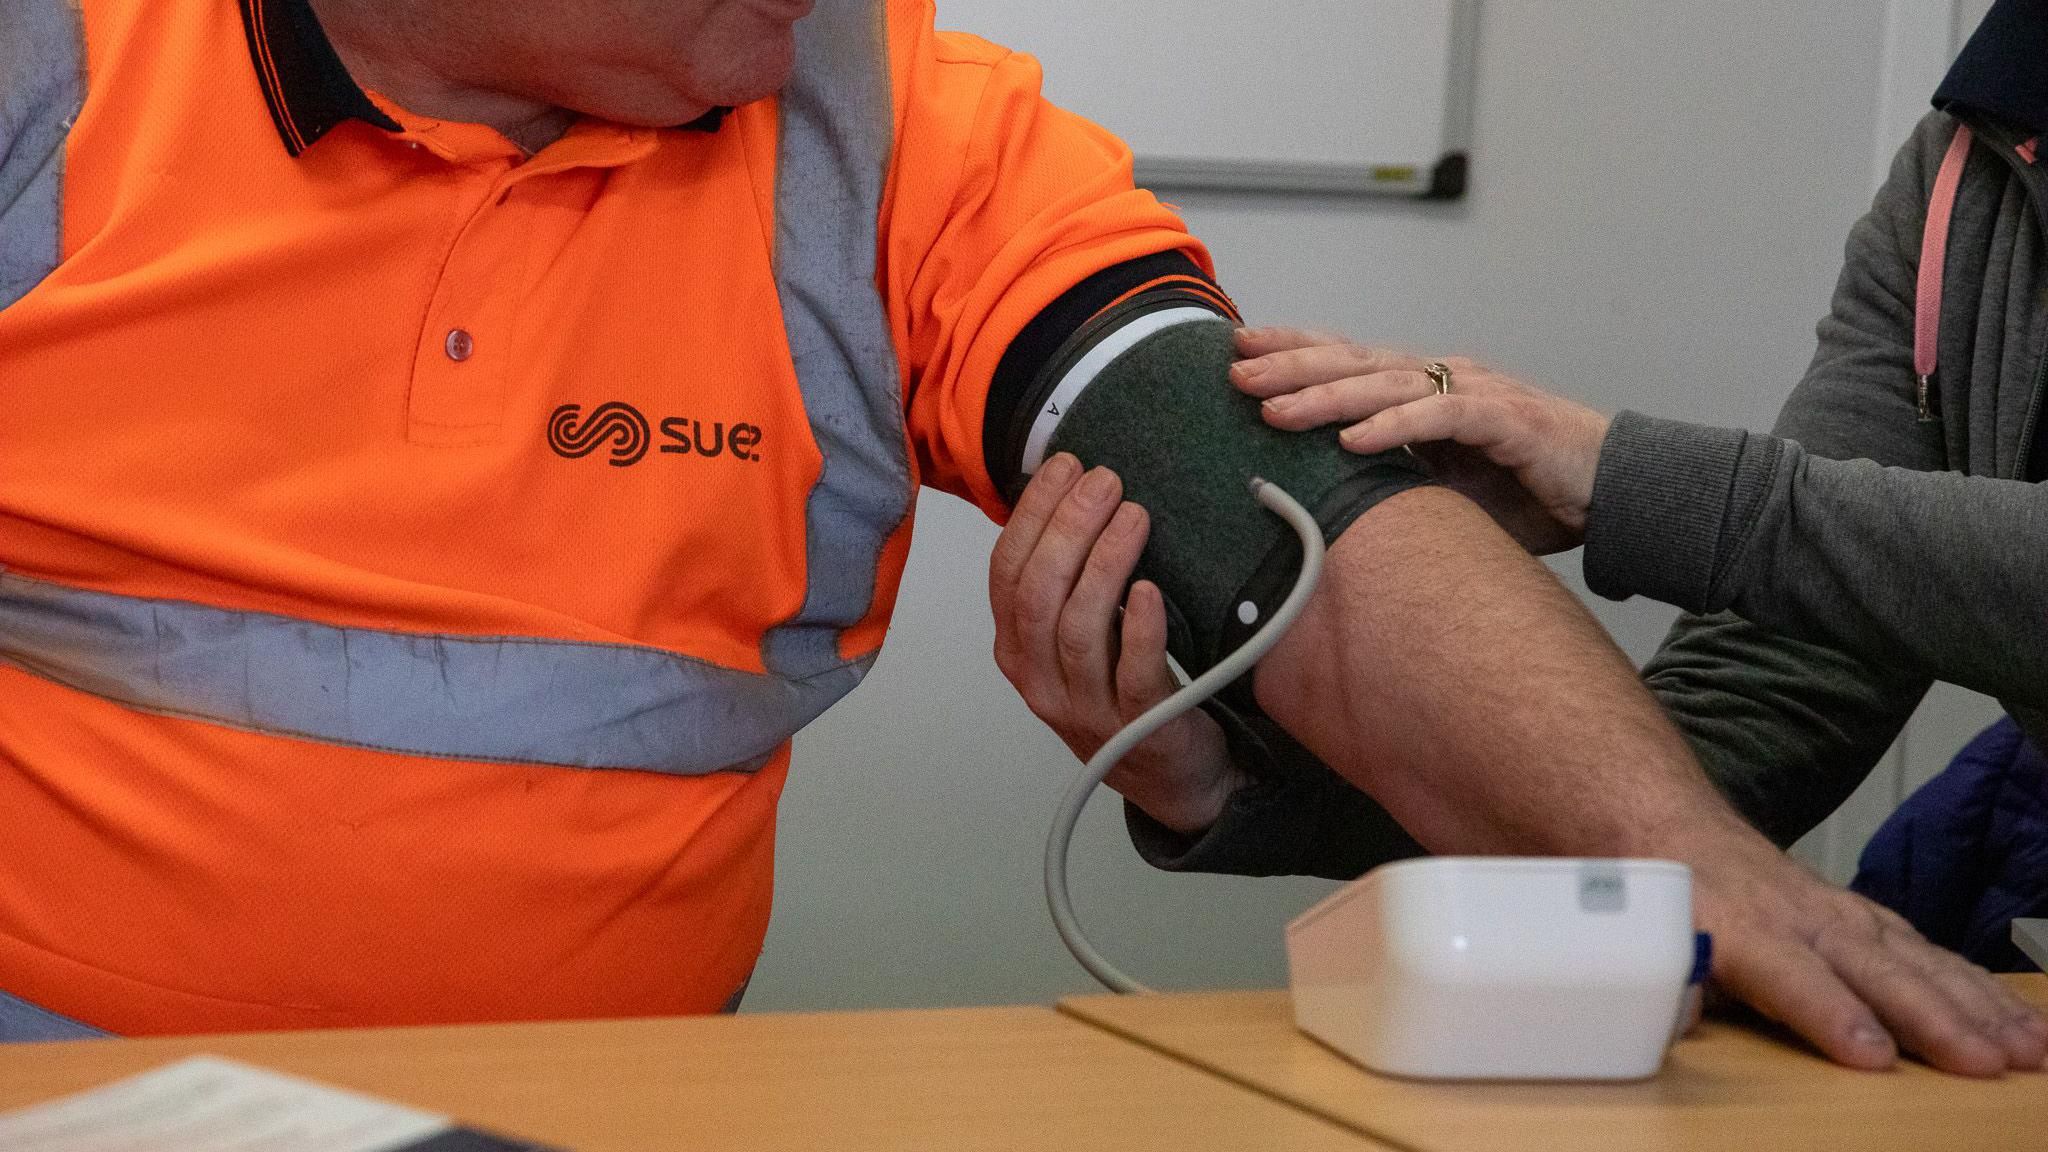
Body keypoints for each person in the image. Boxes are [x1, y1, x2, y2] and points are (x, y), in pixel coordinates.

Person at [0, 0, 2030, 1080]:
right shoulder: (56, 61)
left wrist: (1672, 863)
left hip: (598, 1113)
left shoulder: (879, 110)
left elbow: (1284, 509)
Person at [992, 0, 2048, 1079]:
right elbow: (1771, 694)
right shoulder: (1969, 158)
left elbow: (1760, 563)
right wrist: (1243, 786)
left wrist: (1621, 479)